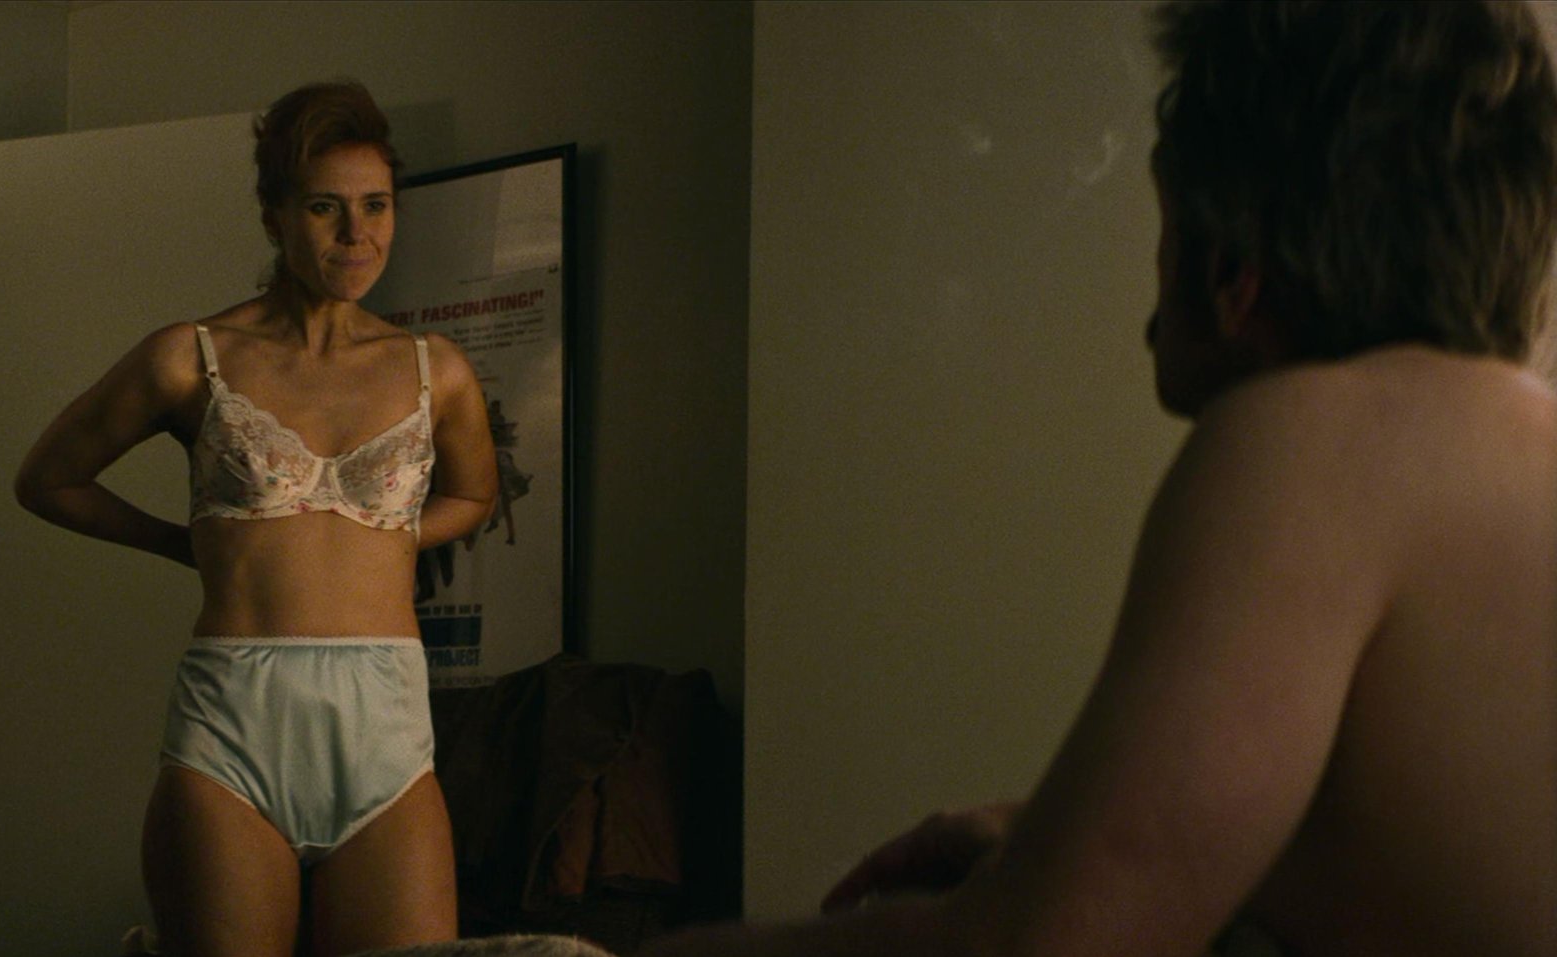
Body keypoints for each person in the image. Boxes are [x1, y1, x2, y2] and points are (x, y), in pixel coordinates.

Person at [645, 2, 1557, 955]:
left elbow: (1048, 947)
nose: (1150, 308)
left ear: (1231, 269)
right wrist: (1053, 838)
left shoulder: (1322, 439)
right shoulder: (1511, 448)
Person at [14, 80, 498, 957]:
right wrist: (185, 546)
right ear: (274, 215)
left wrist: (391, 538)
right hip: (235, 726)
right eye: (324, 207)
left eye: (376, 205)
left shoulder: (437, 370)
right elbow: (49, 479)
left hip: (387, 727)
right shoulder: (191, 357)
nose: (357, 234)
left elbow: (473, 496)